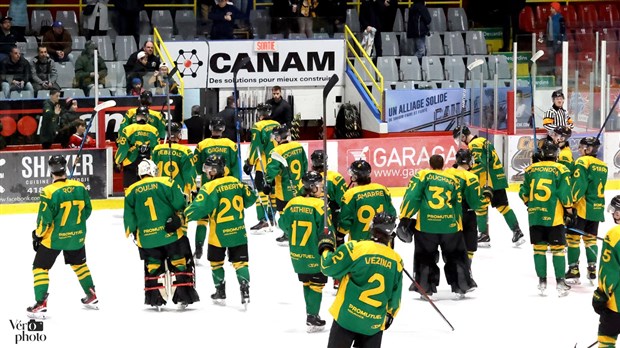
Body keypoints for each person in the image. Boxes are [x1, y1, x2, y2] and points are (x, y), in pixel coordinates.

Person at [26, 155, 97, 318]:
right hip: (77, 237)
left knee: (40, 268)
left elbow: (44, 220)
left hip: (54, 239)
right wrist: (74, 225)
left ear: (51, 170)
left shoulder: (49, 191)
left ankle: (40, 303)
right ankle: (92, 294)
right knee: (79, 266)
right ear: (65, 168)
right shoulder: (79, 187)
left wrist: (37, 235)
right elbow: (88, 210)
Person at [123, 159, 199, 309]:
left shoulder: (130, 191)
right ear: (152, 171)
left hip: (147, 239)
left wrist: (134, 234)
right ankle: (183, 294)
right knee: (179, 261)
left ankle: (155, 297)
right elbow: (180, 204)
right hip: (170, 235)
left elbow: (129, 220)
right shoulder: (166, 182)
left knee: (153, 265)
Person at [320, 212, 403, 348]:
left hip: (347, 318)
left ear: (372, 227)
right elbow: (395, 299)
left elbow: (327, 267)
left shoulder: (356, 248)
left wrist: (326, 246)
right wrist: (389, 315)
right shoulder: (397, 261)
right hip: (373, 324)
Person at [397, 154, 474, 298]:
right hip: (450, 225)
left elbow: (412, 197)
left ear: (430, 164)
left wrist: (405, 216)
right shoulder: (453, 179)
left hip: (426, 226)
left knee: (425, 256)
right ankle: (461, 286)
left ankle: (425, 288)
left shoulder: (423, 175)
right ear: (443, 165)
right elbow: (457, 203)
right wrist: (458, 225)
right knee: (456, 255)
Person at [185, 154, 256, 308]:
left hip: (218, 235)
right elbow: (250, 199)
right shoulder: (236, 182)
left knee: (216, 263)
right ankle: (245, 289)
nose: (207, 173)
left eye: (210, 169)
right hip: (238, 232)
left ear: (216, 170)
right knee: (241, 263)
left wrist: (182, 216)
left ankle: (220, 292)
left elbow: (198, 208)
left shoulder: (209, 187)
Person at [453, 126, 525, 247]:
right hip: (496, 178)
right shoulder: (482, 141)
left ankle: (484, 235)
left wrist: (465, 171)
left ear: (463, 136)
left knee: (481, 207)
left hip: (487, 179)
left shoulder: (474, 145)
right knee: (503, 207)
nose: (458, 142)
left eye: (458, 139)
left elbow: (480, 165)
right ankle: (517, 231)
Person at [279, 170, 332, 332]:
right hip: (315, 254)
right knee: (317, 285)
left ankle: (310, 313)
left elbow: (282, 225)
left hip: (297, 255)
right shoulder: (320, 206)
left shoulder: (292, 203)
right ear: (312, 187)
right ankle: (313, 316)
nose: (322, 188)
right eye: (319, 186)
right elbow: (326, 230)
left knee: (307, 282)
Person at [519, 140, 573, 296]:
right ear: (556, 155)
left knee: (539, 250)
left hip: (535, 216)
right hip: (553, 217)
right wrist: (569, 211)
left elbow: (523, 193)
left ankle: (542, 282)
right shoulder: (561, 169)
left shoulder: (530, 169)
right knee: (557, 250)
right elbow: (564, 193)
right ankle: (560, 283)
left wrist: (531, 203)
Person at [192, 117, 240, 259]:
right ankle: (230, 249)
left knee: (202, 220)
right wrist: (237, 187)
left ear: (210, 128)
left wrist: (194, 188)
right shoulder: (231, 145)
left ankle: (199, 247)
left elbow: (195, 168)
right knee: (225, 220)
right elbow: (235, 169)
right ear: (223, 129)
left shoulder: (202, 145)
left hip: (208, 188)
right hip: (225, 189)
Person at [443, 149, 491, 288]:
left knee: (454, 248)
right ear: (469, 161)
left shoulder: (447, 172)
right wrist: (487, 196)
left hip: (449, 214)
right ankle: (466, 276)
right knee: (469, 248)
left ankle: (456, 278)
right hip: (466, 214)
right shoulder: (471, 177)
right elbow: (477, 204)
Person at [566, 137, 608, 285]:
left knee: (573, 240)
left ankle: (573, 269)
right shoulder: (603, 165)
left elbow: (579, 185)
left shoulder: (582, 162)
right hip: (596, 209)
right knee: (590, 240)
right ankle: (592, 269)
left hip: (582, 208)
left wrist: (569, 203)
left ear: (587, 149)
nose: (579, 149)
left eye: (582, 146)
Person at [263, 124, 308, 243]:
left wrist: (267, 183)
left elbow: (272, 171)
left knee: (285, 211)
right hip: (300, 186)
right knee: (299, 209)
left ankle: (288, 233)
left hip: (284, 189)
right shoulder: (298, 146)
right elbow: (305, 164)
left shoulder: (276, 151)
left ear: (278, 138)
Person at [338, 159, 396, 242]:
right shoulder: (382, 189)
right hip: (381, 241)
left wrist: (340, 235)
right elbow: (391, 213)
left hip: (358, 243)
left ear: (355, 176)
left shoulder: (350, 194)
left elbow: (345, 221)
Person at [244, 103, 280, 230]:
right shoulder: (277, 124)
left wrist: (250, 162)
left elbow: (256, 147)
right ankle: (272, 216)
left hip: (263, 164)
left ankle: (264, 218)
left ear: (259, 114)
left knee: (260, 190)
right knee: (273, 190)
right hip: (276, 164)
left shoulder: (258, 126)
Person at [592, 195, 620, 347]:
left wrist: (601, 295)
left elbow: (608, 272)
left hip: (617, 303)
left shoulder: (615, 234)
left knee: (607, 339)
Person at [114, 106, 160, 188]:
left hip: (130, 161)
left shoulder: (127, 129)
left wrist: (117, 161)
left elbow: (123, 148)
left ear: (136, 116)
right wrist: (155, 163)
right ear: (147, 117)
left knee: (129, 189)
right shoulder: (154, 130)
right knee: (146, 188)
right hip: (147, 164)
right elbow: (155, 150)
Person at [152, 122, 196, 197]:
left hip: (160, 191)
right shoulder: (185, 151)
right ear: (178, 134)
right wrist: (192, 190)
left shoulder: (156, 149)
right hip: (179, 192)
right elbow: (189, 174)